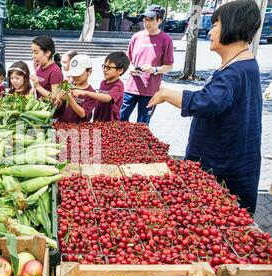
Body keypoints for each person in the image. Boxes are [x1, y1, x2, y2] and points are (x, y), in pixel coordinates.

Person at [147, 0, 262, 214]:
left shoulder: (235, 72)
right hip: (225, 162)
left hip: (223, 171)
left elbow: (209, 102)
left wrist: (166, 94)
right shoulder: (242, 65)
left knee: (221, 224)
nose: (210, 32)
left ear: (232, 25)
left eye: (216, 25)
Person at [119, 4, 174, 125]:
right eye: (145, 20)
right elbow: (128, 60)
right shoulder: (136, 37)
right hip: (131, 87)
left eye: (150, 20)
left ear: (159, 20)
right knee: (120, 120)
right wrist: (131, 68)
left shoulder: (166, 40)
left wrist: (154, 69)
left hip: (150, 91)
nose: (146, 23)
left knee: (142, 126)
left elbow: (169, 66)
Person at [74, 52, 129, 122]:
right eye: (104, 66)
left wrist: (86, 93)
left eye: (109, 68)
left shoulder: (118, 85)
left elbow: (107, 98)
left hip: (110, 124)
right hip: (98, 120)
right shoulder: (103, 83)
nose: (105, 70)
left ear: (120, 70)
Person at [55, 54, 96, 123]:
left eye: (79, 74)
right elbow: (57, 111)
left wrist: (70, 99)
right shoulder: (68, 86)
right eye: (74, 74)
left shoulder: (91, 93)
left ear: (89, 71)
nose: (76, 77)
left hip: (78, 130)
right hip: (61, 126)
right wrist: (58, 101)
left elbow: (83, 114)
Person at [30, 36, 63, 102]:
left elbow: (55, 97)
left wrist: (37, 87)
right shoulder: (40, 67)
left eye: (36, 53)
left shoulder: (55, 71)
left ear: (47, 53)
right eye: (32, 52)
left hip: (50, 111)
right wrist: (34, 88)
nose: (33, 56)